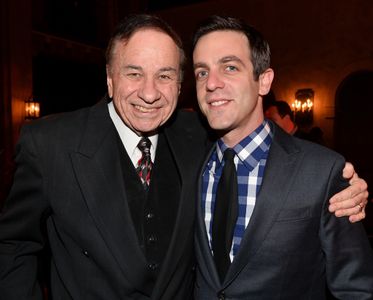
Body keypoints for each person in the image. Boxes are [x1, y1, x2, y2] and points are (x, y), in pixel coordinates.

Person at [0, 14, 368, 300]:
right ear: (110, 79)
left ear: (179, 85)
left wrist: (345, 184)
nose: (149, 93)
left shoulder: (195, 136)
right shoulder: (50, 143)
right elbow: (12, 245)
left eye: (165, 75)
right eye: (133, 73)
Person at [192, 15, 373, 299]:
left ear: (264, 81)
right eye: (202, 72)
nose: (211, 83)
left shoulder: (323, 171)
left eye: (230, 67)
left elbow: (356, 288)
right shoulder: (190, 160)